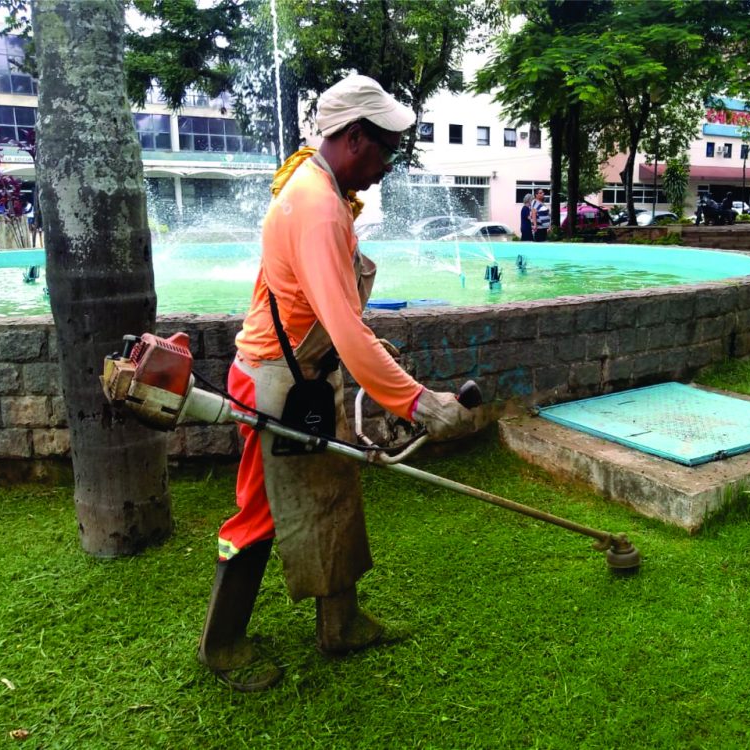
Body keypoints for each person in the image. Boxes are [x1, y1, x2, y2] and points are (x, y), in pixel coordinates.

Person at [198, 74, 478, 692]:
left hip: (304, 373)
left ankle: (341, 623)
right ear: (354, 138)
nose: (388, 165)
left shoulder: (315, 185)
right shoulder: (319, 206)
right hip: (275, 381)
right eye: (386, 150)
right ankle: (220, 643)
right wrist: (417, 401)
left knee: (332, 492)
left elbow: (334, 323)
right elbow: (348, 330)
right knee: (259, 514)